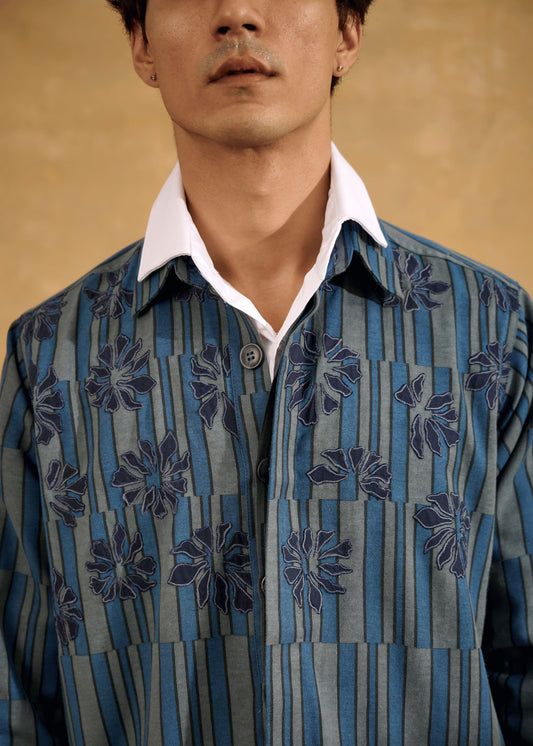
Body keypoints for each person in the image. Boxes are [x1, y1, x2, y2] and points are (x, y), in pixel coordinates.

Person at [0, 0, 531, 742]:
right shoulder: (53, 359)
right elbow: (17, 698)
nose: (237, 14)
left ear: (347, 32)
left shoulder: (488, 332)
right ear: (141, 43)